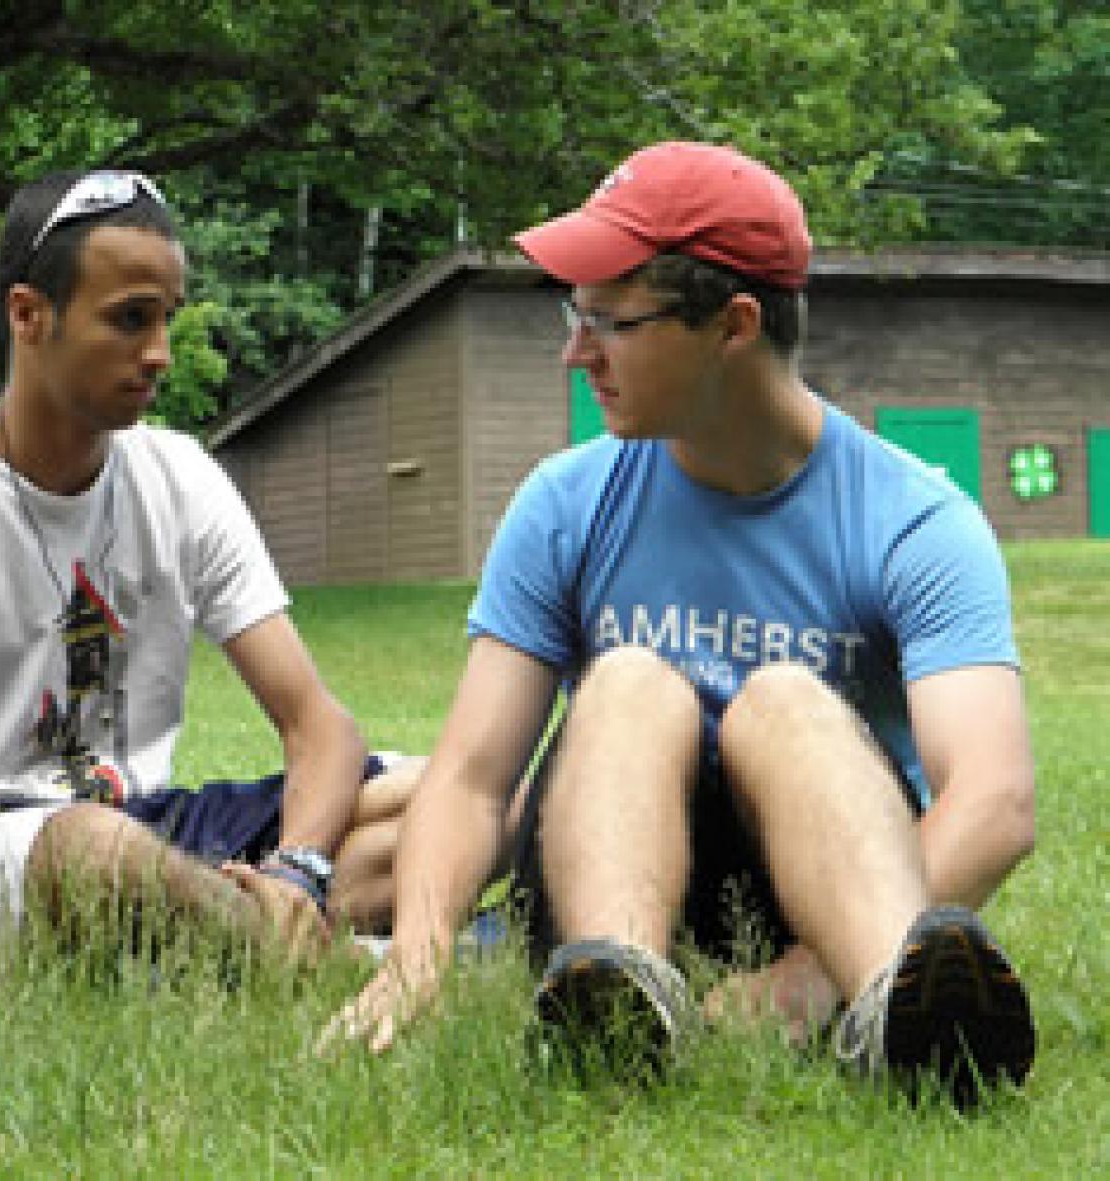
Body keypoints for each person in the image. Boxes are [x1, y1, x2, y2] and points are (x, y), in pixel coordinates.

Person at [322, 141, 1037, 1108]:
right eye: (575, 317)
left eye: (612, 322)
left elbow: (992, 801)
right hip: (594, 874)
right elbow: (472, 778)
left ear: (732, 326)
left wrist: (804, 976)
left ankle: (887, 1009)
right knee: (629, 678)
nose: (578, 352)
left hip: (816, 894)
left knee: (783, 698)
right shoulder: (564, 503)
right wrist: (416, 956)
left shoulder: (914, 521)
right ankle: (612, 997)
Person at [0, 168, 413, 963]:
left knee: (447, 797)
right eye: (129, 320)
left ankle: (239, 929)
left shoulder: (180, 475)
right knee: (93, 853)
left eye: (166, 319)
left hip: (153, 824)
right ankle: (297, 947)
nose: (158, 353)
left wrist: (297, 868)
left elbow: (319, 727)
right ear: (29, 314)